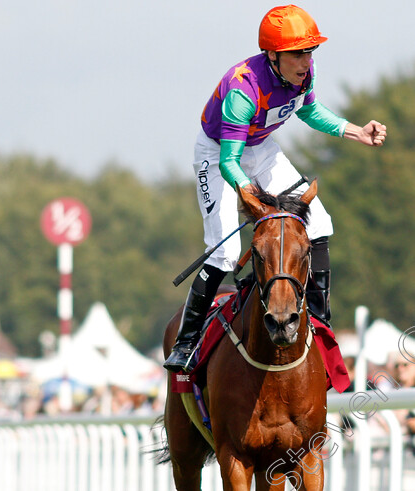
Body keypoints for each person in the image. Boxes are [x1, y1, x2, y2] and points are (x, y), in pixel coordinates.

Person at [165, 5, 387, 371]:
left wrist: (355, 130)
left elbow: (309, 111)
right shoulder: (243, 89)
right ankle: (186, 342)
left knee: (319, 224)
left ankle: (318, 322)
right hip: (219, 155)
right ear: (273, 54)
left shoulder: (303, 73)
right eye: (298, 52)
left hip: (261, 150)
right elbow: (229, 162)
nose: (306, 60)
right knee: (223, 253)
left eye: (309, 51)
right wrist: (250, 196)